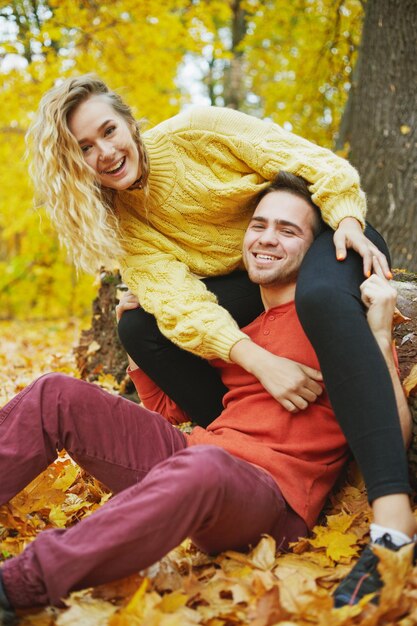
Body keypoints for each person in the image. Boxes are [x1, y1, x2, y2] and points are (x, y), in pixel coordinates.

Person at [27, 76, 414, 601]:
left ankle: (393, 527)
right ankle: (238, 438)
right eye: (84, 148)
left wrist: (346, 219)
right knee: (129, 332)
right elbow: (181, 306)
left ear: (130, 120)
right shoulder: (123, 224)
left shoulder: (199, 132)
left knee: (319, 298)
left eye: (108, 131)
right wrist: (255, 360)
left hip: (330, 232)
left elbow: (311, 162)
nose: (105, 152)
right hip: (220, 398)